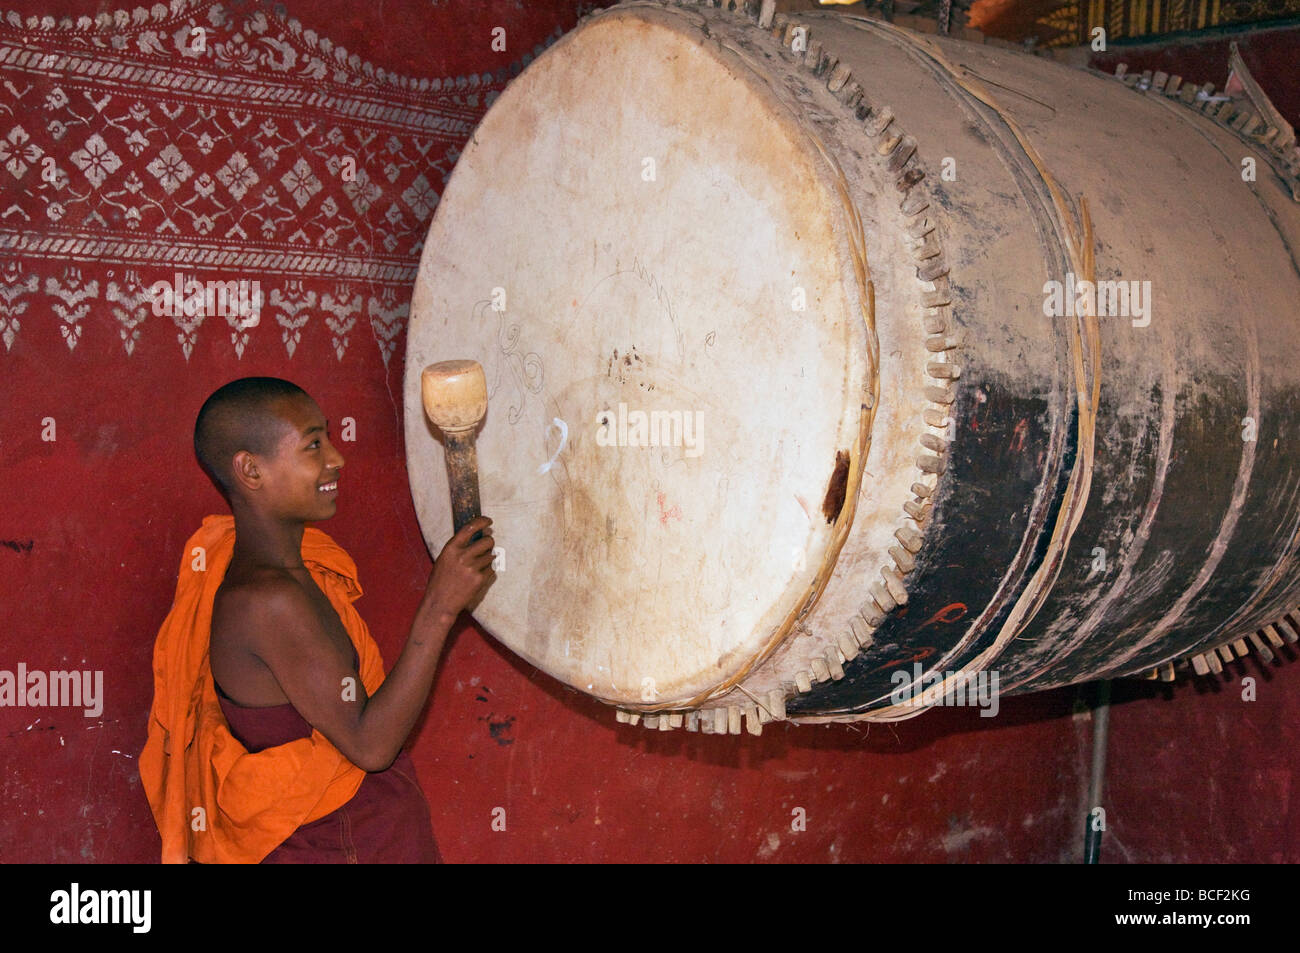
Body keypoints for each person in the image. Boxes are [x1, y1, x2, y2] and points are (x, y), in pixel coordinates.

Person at [139, 377, 494, 863]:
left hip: (365, 837)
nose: (336, 458)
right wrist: (440, 608)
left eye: (327, 437)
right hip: (337, 847)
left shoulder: (294, 571)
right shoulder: (267, 600)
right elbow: (371, 746)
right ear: (251, 471)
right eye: (313, 445)